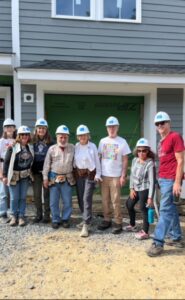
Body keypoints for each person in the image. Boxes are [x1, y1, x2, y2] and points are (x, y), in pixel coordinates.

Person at [147, 111, 185, 257]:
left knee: (164, 210)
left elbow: (181, 161)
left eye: (163, 122)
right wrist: (158, 180)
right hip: (163, 180)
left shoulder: (175, 137)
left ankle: (158, 242)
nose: (160, 125)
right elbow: (164, 162)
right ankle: (176, 237)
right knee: (171, 209)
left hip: (171, 180)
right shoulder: (161, 141)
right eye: (158, 123)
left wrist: (177, 182)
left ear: (169, 123)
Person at [98, 116, 131, 234]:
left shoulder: (122, 142)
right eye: (109, 127)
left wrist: (123, 176)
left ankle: (118, 222)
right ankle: (107, 220)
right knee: (105, 200)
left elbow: (125, 160)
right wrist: (98, 174)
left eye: (113, 127)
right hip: (104, 176)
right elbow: (99, 158)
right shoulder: (102, 141)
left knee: (115, 200)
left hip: (116, 176)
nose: (111, 129)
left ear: (117, 127)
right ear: (107, 128)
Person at [43, 125, 75, 229]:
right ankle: (55, 219)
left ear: (68, 137)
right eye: (61, 137)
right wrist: (45, 178)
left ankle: (65, 219)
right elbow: (47, 164)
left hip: (67, 177)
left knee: (67, 201)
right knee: (53, 201)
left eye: (65, 137)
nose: (63, 139)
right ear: (57, 137)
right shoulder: (51, 149)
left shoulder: (73, 147)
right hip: (53, 177)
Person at [124, 138, 156, 240]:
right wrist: (131, 188)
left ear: (148, 151)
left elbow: (152, 182)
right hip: (135, 188)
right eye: (139, 150)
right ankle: (133, 225)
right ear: (136, 151)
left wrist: (150, 197)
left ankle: (145, 232)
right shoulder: (134, 160)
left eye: (144, 150)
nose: (141, 153)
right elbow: (132, 176)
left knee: (143, 208)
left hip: (145, 188)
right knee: (129, 204)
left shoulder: (150, 163)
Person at [3, 126, 34, 226]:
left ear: (29, 136)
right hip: (14, 176)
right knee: (14, 197)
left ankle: (21, 216)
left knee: (23, 197)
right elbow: (6, 162)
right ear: (19, 136)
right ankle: (13, 216)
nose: (24, 136)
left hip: (25, 176)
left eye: (26, 134)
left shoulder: (30, 147)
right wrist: (4, 175)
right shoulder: (13, 147)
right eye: (22, 134)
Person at [74, 124, 101, 237]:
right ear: (77, 137)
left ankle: (86, 224)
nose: (82, 137)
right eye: (80, 135)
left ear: (88, 135)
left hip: (90, 175)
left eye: (84, 135)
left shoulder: (93, 146)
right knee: (80, 197)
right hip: (79, 174)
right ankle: (85, 217)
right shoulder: (76, 146)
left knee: (86, 198)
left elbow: (97, 161)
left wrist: (98, 174)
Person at [32, 118, 53, 224]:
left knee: (46, 194)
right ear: (36, 129)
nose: (41, 130)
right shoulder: (32, 140)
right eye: (39, 128)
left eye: (43, 128)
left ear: (46, 129)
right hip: (35, 172)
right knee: (36, 194)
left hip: (47, 172)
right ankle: (38, 214)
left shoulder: (51, 141)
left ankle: (46, 215)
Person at [0, 118, 17, 219]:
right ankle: (2, 212)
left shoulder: (16, 141)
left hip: (13, 168)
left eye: (11, 126)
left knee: (13, 192)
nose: (9, 128)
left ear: (14, 128)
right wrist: (1, 173)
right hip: (3, 167)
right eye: (7, 127)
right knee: (3, 192)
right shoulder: (1, 141)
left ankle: (13, 212)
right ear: (4, 129)